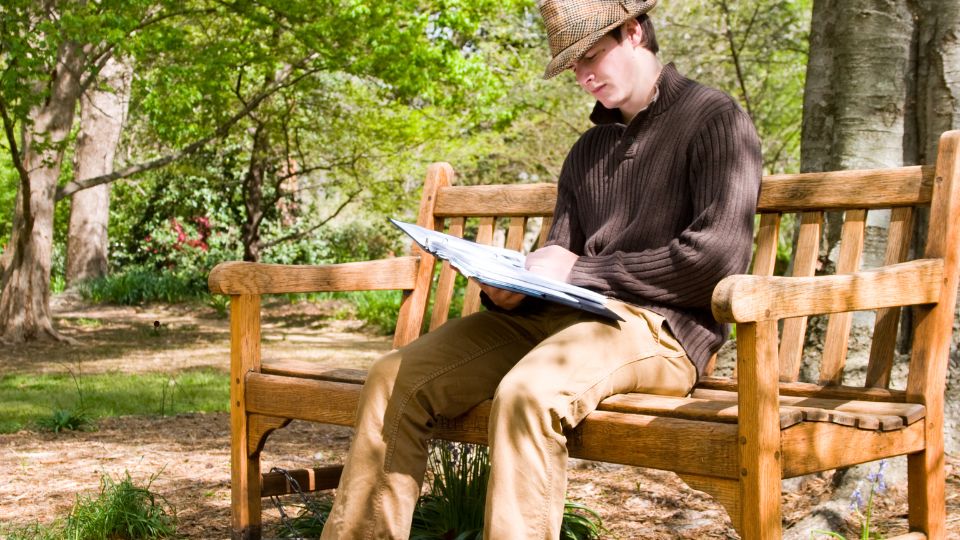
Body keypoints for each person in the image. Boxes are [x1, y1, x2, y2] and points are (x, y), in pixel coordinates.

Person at [320, 0, 762, 538]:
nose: (583, 76)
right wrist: (510, 292)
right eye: (573, 66)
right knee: (392, 380)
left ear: (633, 32)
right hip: (557, 322)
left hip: (659, 330)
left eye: (591, 57)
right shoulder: (587, 151)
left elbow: (715, 262)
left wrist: (579, 272)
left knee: (528, 393)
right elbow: (558, 260)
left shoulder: (715, 120)